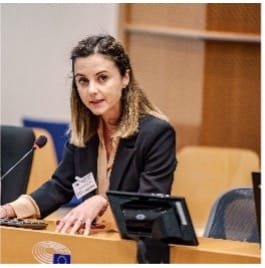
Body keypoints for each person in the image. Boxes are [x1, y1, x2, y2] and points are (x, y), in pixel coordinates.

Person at [0, 34, 177, 236]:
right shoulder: (84, 133)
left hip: (136, 245)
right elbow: (59, 187)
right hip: (94, 241)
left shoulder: (156, 133)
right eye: (83, 81)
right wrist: (8, 210)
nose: (92, 90)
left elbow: (150, 204)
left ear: (125, 78)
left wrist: (102, 201)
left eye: (102, 78)